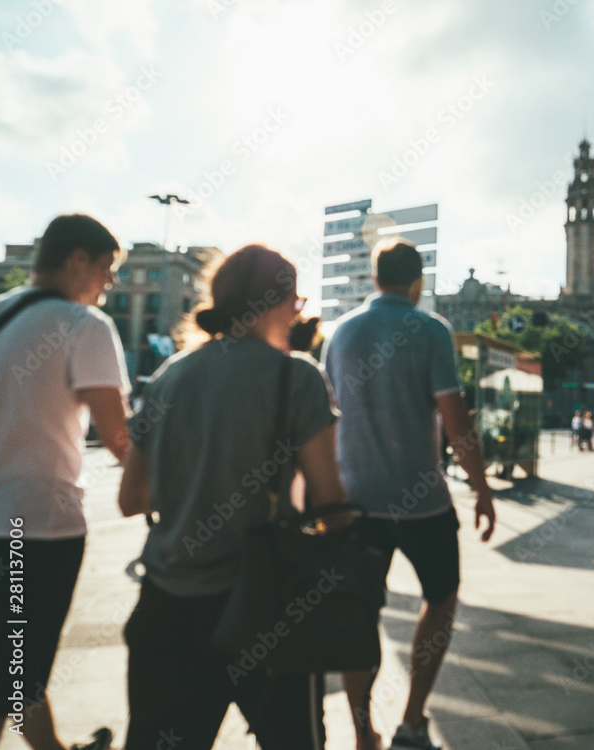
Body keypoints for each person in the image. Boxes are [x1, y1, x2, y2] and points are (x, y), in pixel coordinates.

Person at [117, 245, 346, 749]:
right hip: (263, 607)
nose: (299, 313)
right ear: (276, 302)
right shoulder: (297, 376)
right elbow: (329, 498)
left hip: (166, 610)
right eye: (296, 301)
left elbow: (132, 498)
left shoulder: (168, 376)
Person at [322, 238, 495, 750]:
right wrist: (481, 488)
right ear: (417, 282)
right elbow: (455, 418)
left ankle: (361, 733)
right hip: (423, 503)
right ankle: (414, 720)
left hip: (356, 502)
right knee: (440, 599)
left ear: (375, 278)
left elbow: (328, 419)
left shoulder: (342, 333)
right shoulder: (431, 330)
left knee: (359, 615)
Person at [0, 214, 129, 750]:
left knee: (15, 661)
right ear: (78, 260)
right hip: (37, 529)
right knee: (14, 672)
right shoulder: (83, 325)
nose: (109, 283)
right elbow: (117, 438)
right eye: (106, 268)